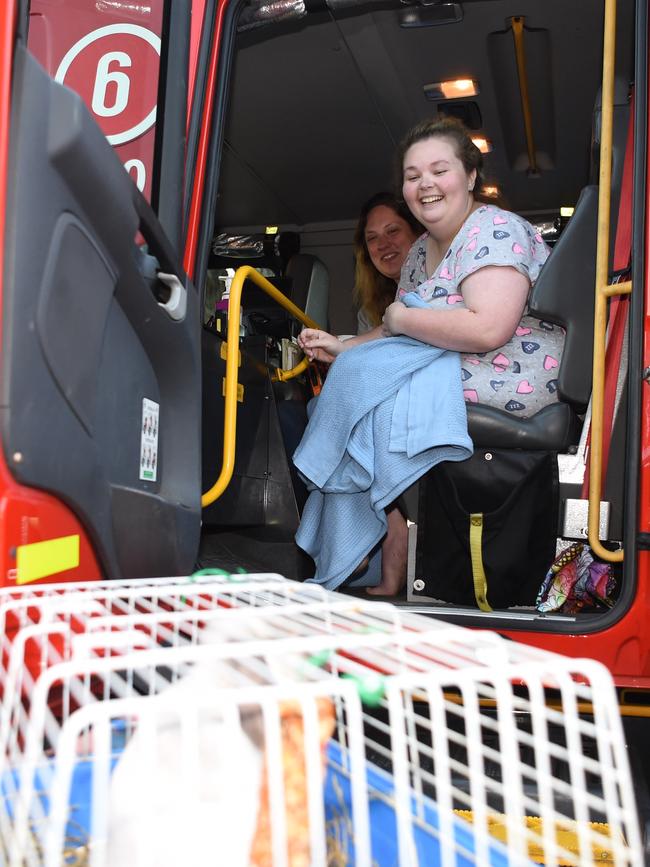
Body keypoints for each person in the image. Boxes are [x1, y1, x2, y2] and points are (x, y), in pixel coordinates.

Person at [297, 116, 565, 593]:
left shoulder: (495, 229)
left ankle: (373, 544)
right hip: (454, 366)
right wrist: (343, 345)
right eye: (413, 175)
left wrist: (399, 322)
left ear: (470, 176)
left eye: (439, 170)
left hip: (511, 374)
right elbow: (395, 326)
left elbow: (486, 326)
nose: (426, 185)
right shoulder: (421, 251)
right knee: (352, 378)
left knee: (362, 399)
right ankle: (386, 546)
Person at [353, 192, 422, 334]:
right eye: (372, 238)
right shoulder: (367, 315)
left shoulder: (440, 288)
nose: (382, 244)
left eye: (392, 231)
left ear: (418, 233)